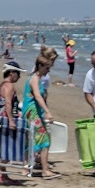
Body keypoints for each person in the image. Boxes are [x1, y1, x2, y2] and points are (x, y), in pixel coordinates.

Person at [22, 48, 60, 180]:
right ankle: (44, 170)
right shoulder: (34, 79)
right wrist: (48, 112)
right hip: (32, 112)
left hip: (33, 111)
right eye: (47, 68)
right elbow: (38, 97)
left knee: (30, 139)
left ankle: (25, 168)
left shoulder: (36, 78)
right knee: (45, 140)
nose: (49, 70)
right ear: (40, 66)